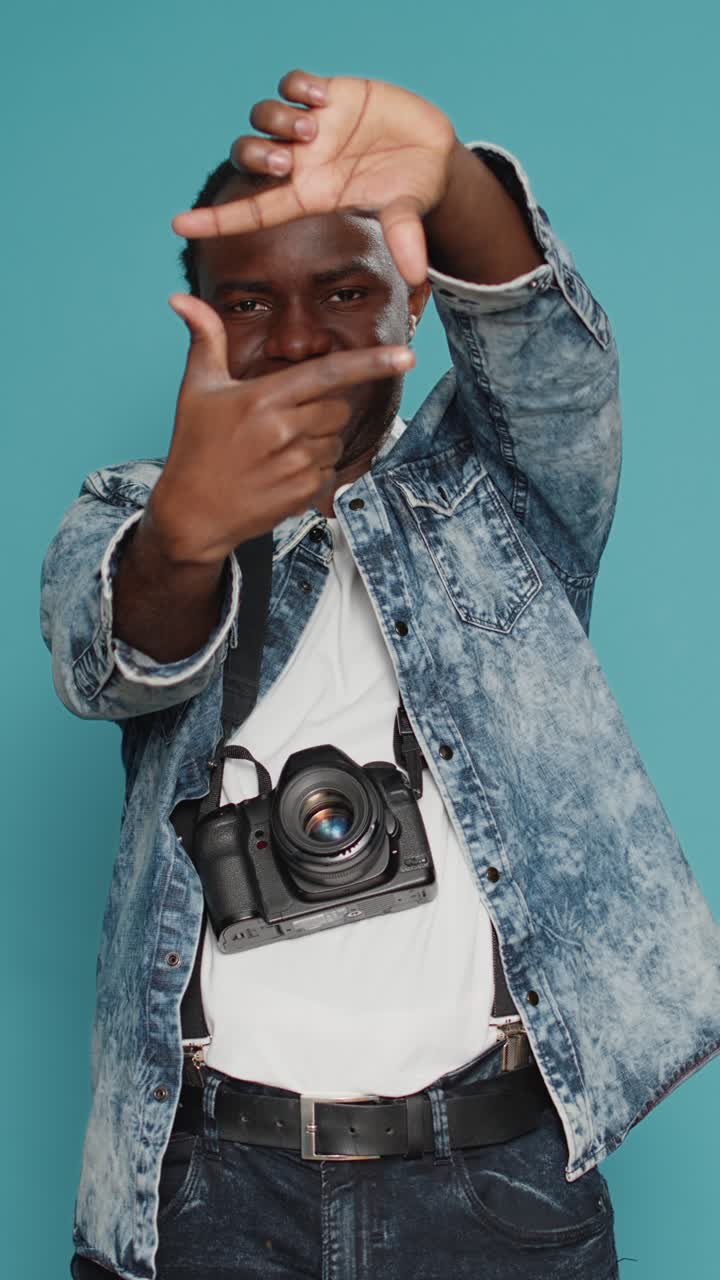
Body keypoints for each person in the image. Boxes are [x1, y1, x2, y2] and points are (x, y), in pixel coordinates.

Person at [42, 70, 720, 1280]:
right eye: (251, 300)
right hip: (211, 1187)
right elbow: (112, 658)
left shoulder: (501, 498)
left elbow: (557, 369)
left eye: (345, 291)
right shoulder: (132, 516)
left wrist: (451, 182)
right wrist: (186, 536)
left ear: (411, 299)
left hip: (498, 1179)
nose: (302, 337)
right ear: (200, 322)